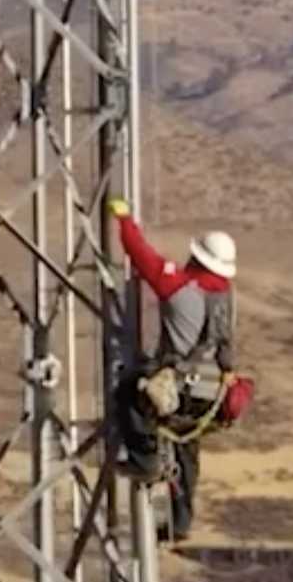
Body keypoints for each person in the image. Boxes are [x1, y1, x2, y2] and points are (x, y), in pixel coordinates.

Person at [105, 194, 250, 542]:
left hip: (179, 385)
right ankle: (180, 519)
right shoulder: (226, 296)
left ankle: (143, 459)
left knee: (128, 387)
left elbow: (142, 256)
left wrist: (124, 220)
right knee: (186, 448)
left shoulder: (182, 287)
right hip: (212, 392)